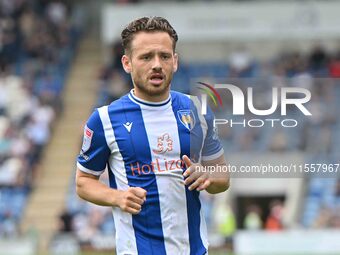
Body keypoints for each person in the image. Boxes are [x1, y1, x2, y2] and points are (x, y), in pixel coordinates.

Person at [75, 16, 229, 255]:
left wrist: (207, 175)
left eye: (164, 56)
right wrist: (117, 197)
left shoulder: (197, 111)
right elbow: (84, 182)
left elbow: (222, 180)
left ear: (175, 61)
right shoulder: (104, 119)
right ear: (127, 63)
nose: (157, 64)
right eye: (146, 57)